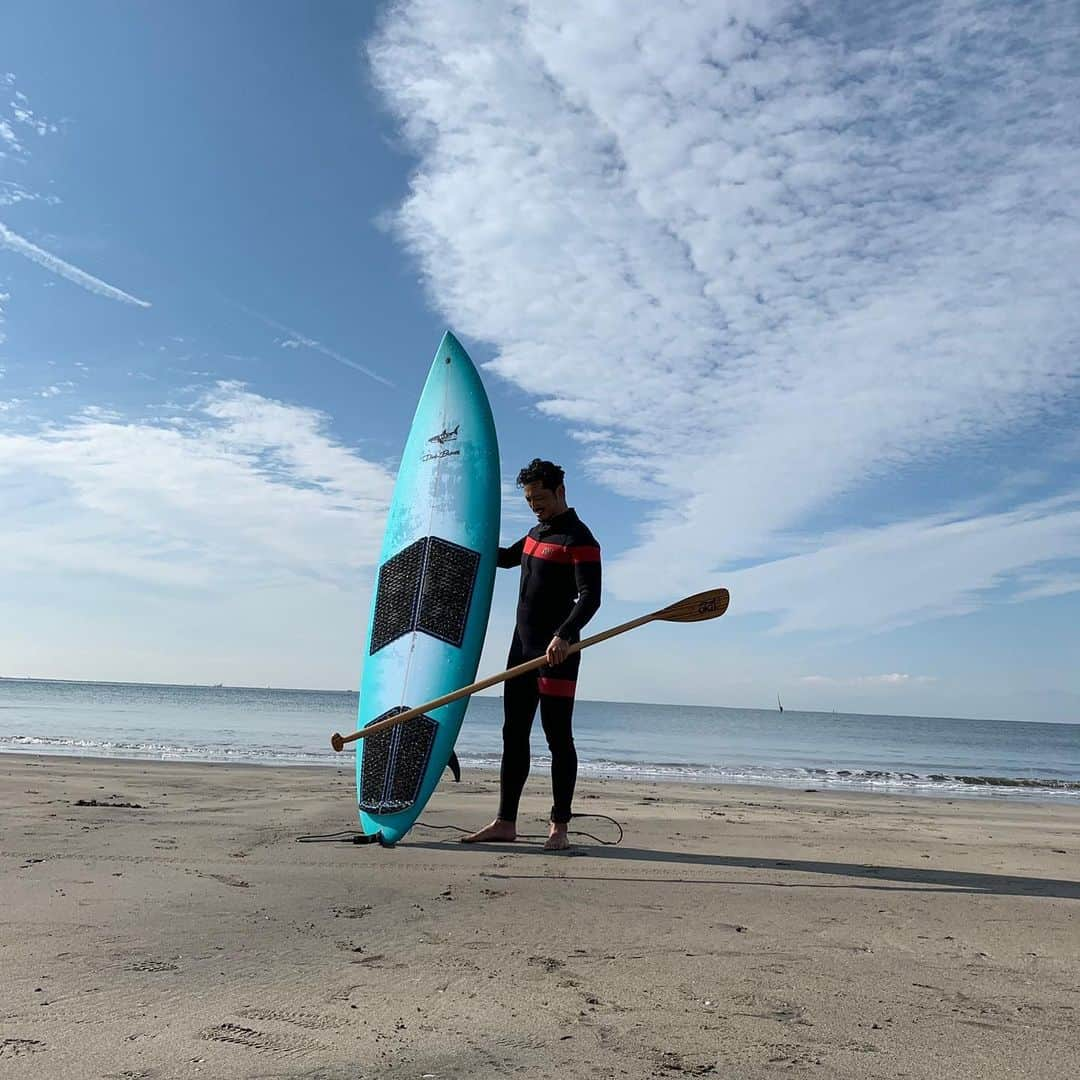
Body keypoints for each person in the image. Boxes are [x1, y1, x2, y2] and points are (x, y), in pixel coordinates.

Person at [462, 458, 601, 850]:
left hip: (557, 653)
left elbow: (591, 597)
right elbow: (507, 558)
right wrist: (469, 541)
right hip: (521, 650)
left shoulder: (580, 540)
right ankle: (506, 821)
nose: (534, 506)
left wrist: (565, 634)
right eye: (528, 500)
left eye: (539, 498)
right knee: (513, 734)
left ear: (560, 491)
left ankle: (559, 826)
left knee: (558, 737)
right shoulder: (536, 533)